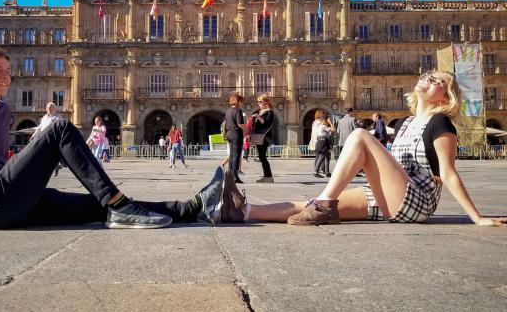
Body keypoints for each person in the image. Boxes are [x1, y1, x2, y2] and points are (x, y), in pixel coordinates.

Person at [0, 46, 226, 236]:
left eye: (9, 71)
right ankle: (116, 201)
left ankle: (194, 207)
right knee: (56, 127)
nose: (6, 77)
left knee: (101, 210)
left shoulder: (3, 110)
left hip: (6, 202)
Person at [217, 71, 507, 227]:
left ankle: (326, 203)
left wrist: (476, 217)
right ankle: (241, 211)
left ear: (447, 96)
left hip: (417, 200)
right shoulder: (406, 123)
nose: (430, 78)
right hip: (393, 194)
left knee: (359, 136)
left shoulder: (441, 121)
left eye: (438, 81)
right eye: (430, 74)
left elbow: (448, 173)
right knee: (309, 203)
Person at [224, 92, 246, 184]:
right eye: (241, 101)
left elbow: (224, 123)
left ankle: (230, 175)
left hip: (229, 133)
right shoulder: (238, 110)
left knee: (232, 155)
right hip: (236, 133)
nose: (241, 103)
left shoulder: (228, 111)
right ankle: (235, 176)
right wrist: (247, 128)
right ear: (238, 102)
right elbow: (239, 124)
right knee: (237, 155)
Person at [253, 94, 275, 183]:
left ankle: (268, 176)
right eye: (258, 101)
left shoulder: (270, 112)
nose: (259, 103)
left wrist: (258, 117)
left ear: (266, 101)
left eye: (260, 101)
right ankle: (267, 176)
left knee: (262, 157)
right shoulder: (261, 111)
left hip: (264, 137)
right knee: (262, 157)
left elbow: (266, 123)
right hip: (259, 136)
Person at [309, 110, 334, 178]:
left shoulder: (317, 122)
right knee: (320, 156)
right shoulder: (318, 122)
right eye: (323, 114)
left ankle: (324, 171)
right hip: (319, 141)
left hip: (319, 141)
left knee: (324, 156)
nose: (324, 115)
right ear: (320, 115)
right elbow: (316, 133)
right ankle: (319, 170)